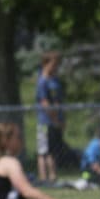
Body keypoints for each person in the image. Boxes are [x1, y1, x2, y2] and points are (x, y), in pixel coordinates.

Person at [35, 51, 66, 185]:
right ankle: (43, 178)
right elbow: (45, 103)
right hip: (45, 122)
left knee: (53, 150)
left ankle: (53, 177)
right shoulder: (42, 81)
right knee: (43, 151)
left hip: (56, 121)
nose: (56, 67)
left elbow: (59, 101)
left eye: (57, 64)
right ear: (45, 64)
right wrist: (54, 119)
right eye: (53, 64)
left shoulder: (55, 81)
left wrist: (62, 119)